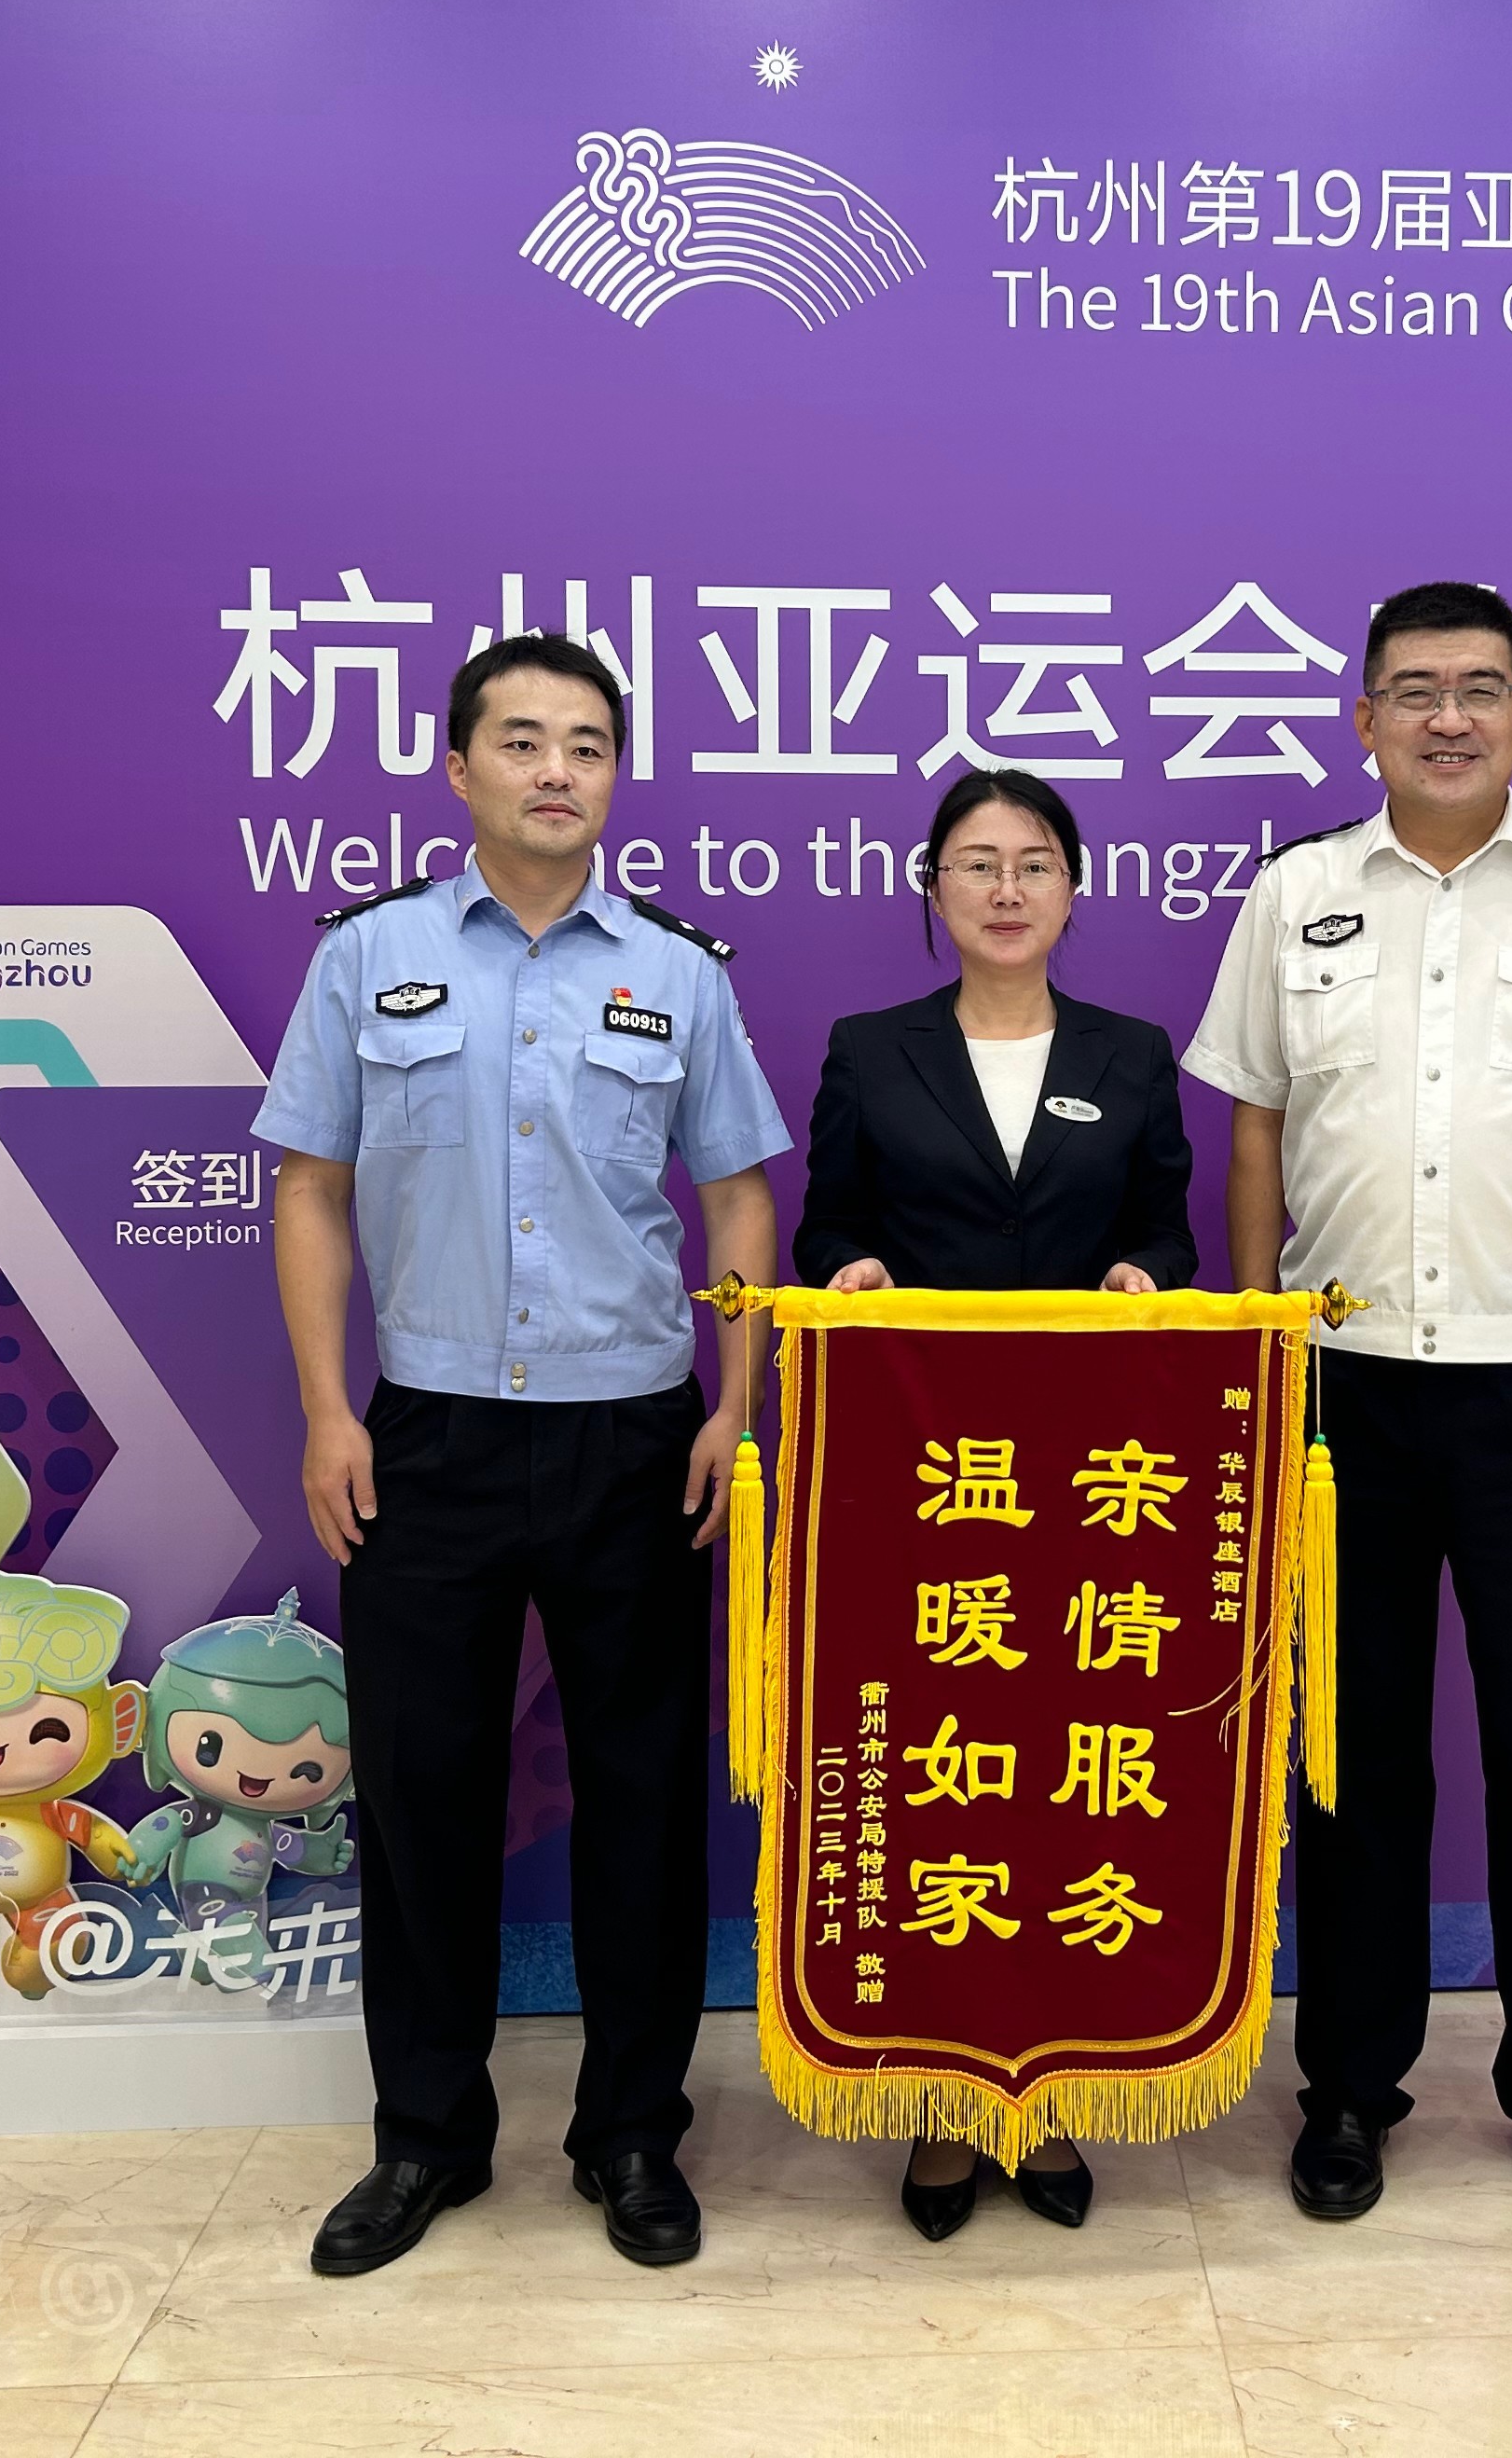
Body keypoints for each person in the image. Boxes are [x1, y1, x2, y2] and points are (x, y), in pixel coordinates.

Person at [254, 630, 788, 2278]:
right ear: (458, 765)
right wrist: (329, 1410)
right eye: (524, 740)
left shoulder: (678, 973)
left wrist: (735, 1406)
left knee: (643, 1797)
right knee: (423, 1795)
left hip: (636, 1435)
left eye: (589, 745)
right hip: (428, 1434)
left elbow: (740, 1198)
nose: (559, 770)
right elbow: (310, 1187)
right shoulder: (370, 957)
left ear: (616, 776)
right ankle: (426, 2137)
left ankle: (632, 2132)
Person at [1183, 578, 1512, 2243]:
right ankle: (1349, 2085)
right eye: (1415, 691)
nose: (1449, 718)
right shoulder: (1297, 894)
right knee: (1353, 1761)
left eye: (1480, 689)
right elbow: (1254, 1129)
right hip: (1343, 1393)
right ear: (1365, 720)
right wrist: (1261, 1339)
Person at [791, 766, 1198, 2239]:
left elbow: (1167, 1228)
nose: (1008, 888)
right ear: (935, 890)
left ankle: (1053, 2090)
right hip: (926, 1485)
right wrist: (848, 1270)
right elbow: (828, 1222)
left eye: (1035, 863)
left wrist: (1150, 1274)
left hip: (1090, 1490)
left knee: (1062, 1786)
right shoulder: (871, 1048)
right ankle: (942, 2106)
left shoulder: (1132, 1053)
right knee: (938, 1780)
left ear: (1073, 890)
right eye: (977, 862)